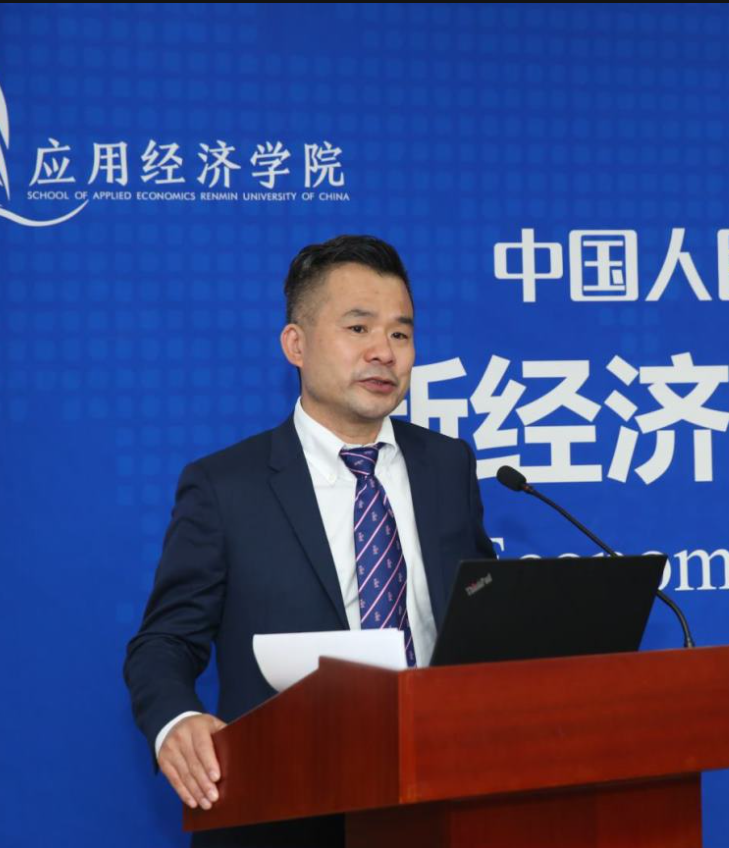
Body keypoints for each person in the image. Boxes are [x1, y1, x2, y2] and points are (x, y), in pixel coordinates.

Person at [124, 235, 497, 847]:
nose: (384, 352)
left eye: (400, 334)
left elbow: (479, 617)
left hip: (440, 797)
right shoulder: (225, 486)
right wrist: (177, 720)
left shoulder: (447, 465)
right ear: (295, 345)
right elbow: (163, 641)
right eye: (358, 328)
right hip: (284, 803)